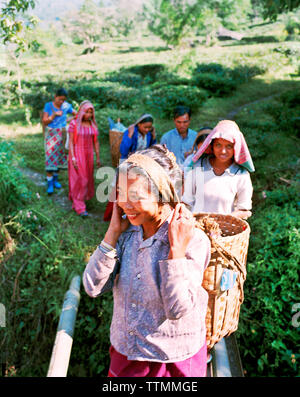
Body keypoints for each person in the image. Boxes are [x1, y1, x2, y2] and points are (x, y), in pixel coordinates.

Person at [83, 144, 211, 377]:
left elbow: (177, 308)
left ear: (164, 194)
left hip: (174, 360)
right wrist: (111, 234)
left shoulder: (192, 239)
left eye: (135, 196)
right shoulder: (126, 233)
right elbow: (93, 287)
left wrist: (177, 252)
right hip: (128, 354)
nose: (124, 204)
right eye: (120, 193)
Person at [182, 120, 254, 219]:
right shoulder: (199, 167)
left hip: (224, 231)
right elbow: (186, 201)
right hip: (196, 229)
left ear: (236, 148)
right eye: (218, 145)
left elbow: (244, 210)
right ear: (212, 145)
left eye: (229, 146)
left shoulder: (241, 175)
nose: (223, 151)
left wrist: (221, 221)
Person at [68, 100, 101, 217]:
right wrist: (73, 157)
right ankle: (80, 207)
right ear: (81, 112)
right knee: (81, 180)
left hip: (89, 155)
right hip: (77, 154)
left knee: (87, 179)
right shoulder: (74, 124)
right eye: (86, 112)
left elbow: (96, 142)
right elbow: (71, 142)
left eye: (91, 112)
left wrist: (98, 157)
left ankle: (77, 198)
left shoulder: (93, 125)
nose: (89, 115)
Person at [42, 88, 77, 194]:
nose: (61, 102)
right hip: (51, 135)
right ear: (55, 96)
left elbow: (76, 114)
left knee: (60, 157)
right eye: (60, 99)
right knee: (50, 157)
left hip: (63, 134)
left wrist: (68, 120)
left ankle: (55, 180)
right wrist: (54, 115)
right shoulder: (48, 106)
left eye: (63, 100)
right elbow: (45, 121)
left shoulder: (67, 106)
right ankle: (50, 184)